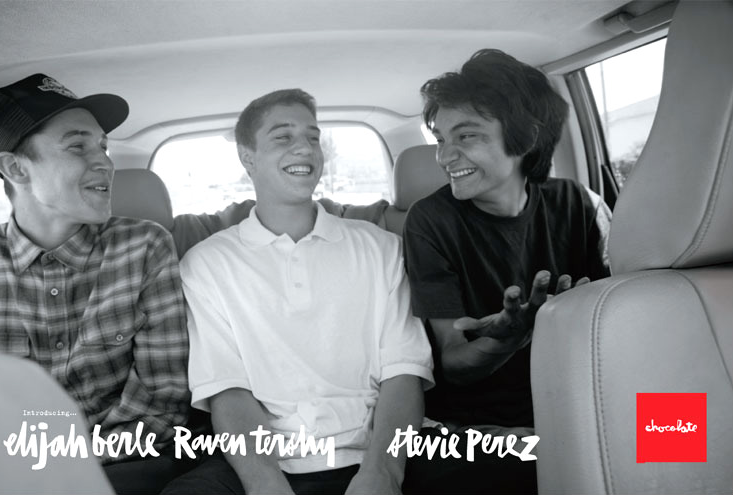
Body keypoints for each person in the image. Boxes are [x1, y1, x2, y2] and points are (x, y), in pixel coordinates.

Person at [163, 88, 433, 495]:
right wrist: (266, 484)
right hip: (265, 462)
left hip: (380, 451)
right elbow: (227, 391)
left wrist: (383, 473)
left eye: (312, 137)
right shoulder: (206, 264)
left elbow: (404, 372)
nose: (304, 148)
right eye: (283, 137)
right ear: (247, 157)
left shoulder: (381, 248)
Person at [402, 49, 611, 494]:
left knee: (682, 434)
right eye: (440, 139)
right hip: (470, 429)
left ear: (524, 138)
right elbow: (453, 362)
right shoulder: (429, 222)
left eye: (466, 136)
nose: (444, 156)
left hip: (576, 408)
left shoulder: (579, 204)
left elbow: (619, 333)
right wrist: (505, 341)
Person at [0, 74, 191, 494]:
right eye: (78, 147)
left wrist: (66, 468)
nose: (105, 163)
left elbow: (161, 402)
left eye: (103, 147)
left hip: (124, 467)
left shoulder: (143, 247)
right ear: (16, 168)